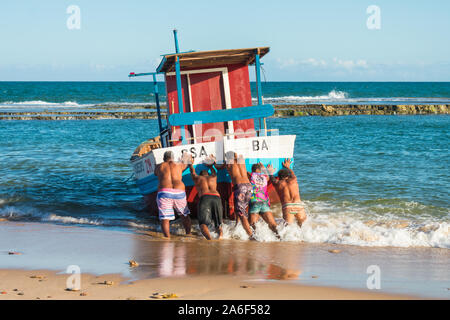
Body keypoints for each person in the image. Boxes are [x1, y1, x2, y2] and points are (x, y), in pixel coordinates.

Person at [154, 150, 192, 238]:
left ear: (164, 158)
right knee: (184, 214)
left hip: (165, 192)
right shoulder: (179, 165)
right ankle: (188, 234)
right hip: (179, 191)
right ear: (173, 158)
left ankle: (167, 238)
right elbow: (187, 162)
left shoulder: (160, 166)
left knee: (165, 218)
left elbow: (155, 173)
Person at [216, 152, 253, 237]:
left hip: (240, 187)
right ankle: (238, 225)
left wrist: (214, 162)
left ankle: (251, 235)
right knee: (240, 209)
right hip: (249, 186)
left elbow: (218, 167)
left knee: (241, 213)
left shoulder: (228, 163)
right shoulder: (241, 160)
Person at [188, 155, 223, 240]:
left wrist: (190, 164)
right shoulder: (213, 177)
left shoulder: (197, 178)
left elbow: (192, 172)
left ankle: (209, 240)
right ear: (208, 174)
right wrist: (211, 165)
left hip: (205, 198)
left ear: (201, 174)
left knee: (203, 224)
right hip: (217, 197)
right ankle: (220, 238)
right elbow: (214, 171)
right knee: (218, 224)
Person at [267, 159, 307, 227]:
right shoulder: (294, 180)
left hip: (287, 207)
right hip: (298, 205)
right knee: (302, 224)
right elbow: (292, 174)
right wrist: (288, 167)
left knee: (287, 227)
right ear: (288, 176)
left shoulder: (278, 183)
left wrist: (270, 172)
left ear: (279, 178)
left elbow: (272, 179)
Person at [248, 162, 279, 237]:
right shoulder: (265, 176)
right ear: (260, 170)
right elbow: (268, 177)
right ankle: (278, 237)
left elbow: (244, 173)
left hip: (255, 202)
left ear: (253, 170)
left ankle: (257, 240)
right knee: (273, 225)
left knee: (252, 225)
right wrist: (264, 168)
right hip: (264, 202)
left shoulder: (251, 175)